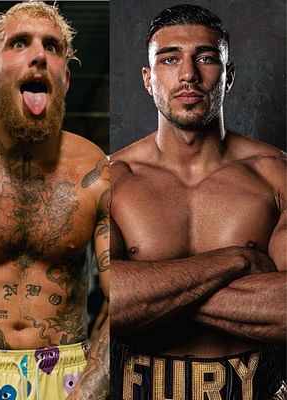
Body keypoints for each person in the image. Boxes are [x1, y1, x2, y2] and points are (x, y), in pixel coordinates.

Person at [110, 4, 286, 399]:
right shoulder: (112, 179)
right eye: (169, 59)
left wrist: (148, 294)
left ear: (229, 76)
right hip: (137, 386)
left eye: (206, 58)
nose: (188, 74)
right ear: (148, 78)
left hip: (252, 386)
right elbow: (96, 306)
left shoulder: (275, 176)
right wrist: (236, 261)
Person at [0, 2, 110, 399]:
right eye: (20, 43)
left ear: (66, 79)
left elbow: (122, 304)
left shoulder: (97, 171)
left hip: (70, 374)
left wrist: (88, 390)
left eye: (53, 47)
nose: (39, 55)